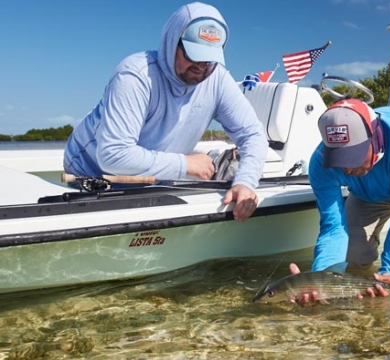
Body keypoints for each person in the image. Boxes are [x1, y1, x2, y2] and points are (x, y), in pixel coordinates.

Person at [63, 2, 268, 222]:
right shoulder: (136, 76)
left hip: (155, 179)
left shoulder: (218, 80)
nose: (201, 66)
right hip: (90, 172)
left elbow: (253, 135)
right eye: (193, 55)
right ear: (172, 43)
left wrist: (245, 182)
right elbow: (113, 154)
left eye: (209, 59)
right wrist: (184, 164)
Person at [290, 99, 390, 302]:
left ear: (374, 137)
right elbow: (333, 228)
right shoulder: (319, 164)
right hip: (369, 189)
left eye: (352, 156)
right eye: (338, 159)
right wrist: (317, 280)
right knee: (353, 255)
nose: (347, 170)